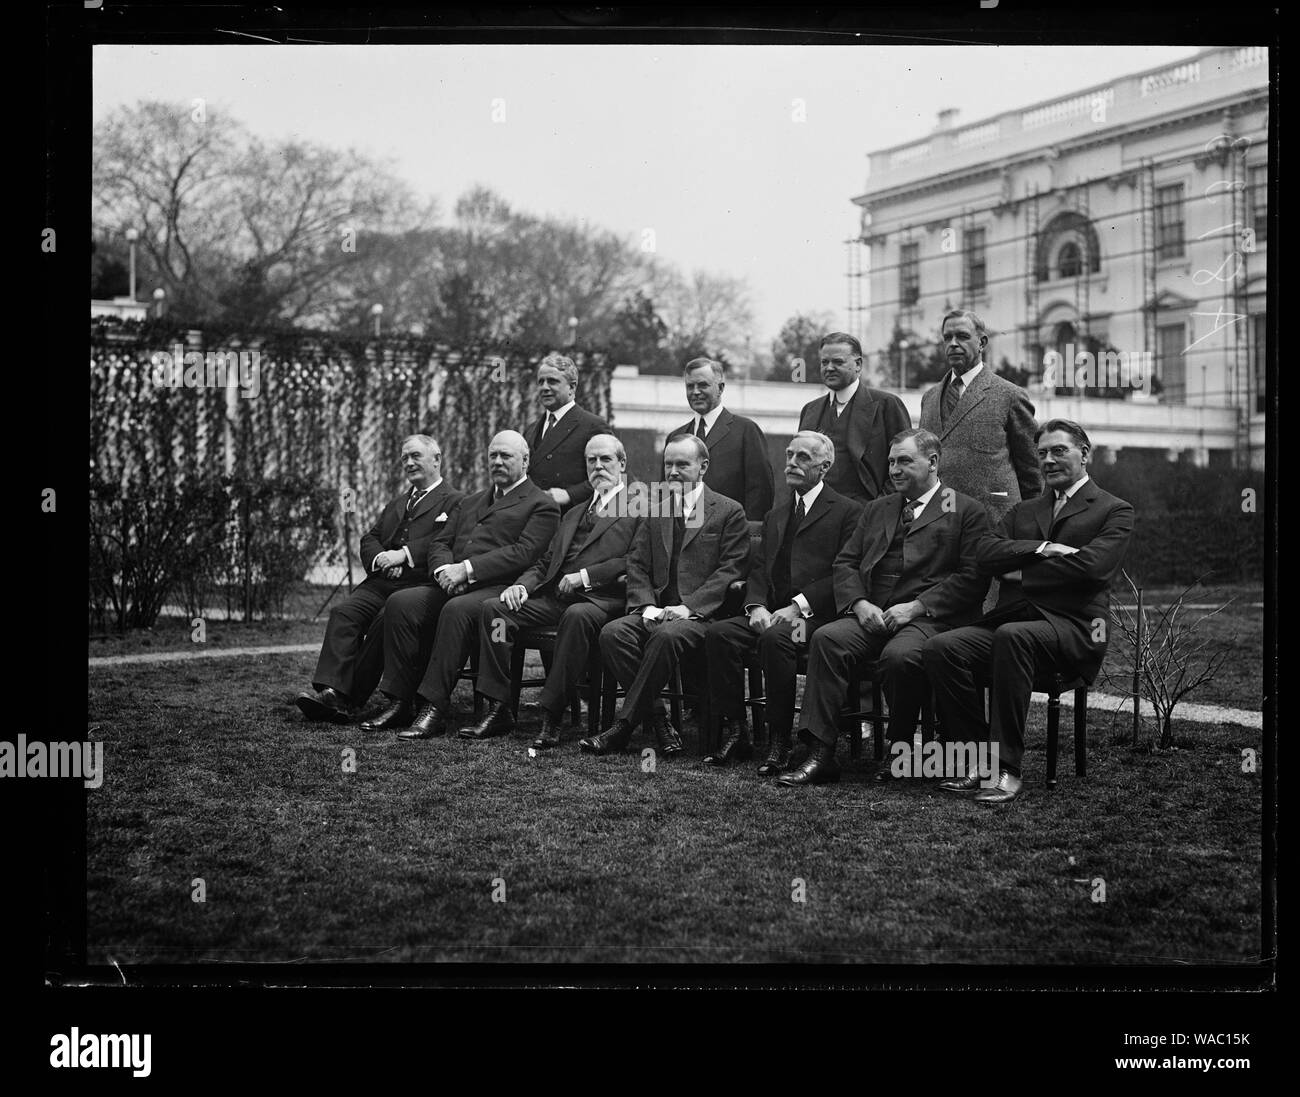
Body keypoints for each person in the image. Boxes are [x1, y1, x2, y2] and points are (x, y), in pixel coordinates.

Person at [924, 420, 1133, 804]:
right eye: (1041, 453)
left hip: (1073, 629)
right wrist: (1042, 549)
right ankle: (977, 759)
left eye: (1059, 451)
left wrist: (1018, 569)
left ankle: (1007, 770)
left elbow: (1093, 568)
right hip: (1015, 621)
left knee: (1012, 636)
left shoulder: (1113, 510)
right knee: (942, 647)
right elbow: (983, 553)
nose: (1048, 460)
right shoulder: (1024, 511)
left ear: (1084, 454)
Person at [778, 429, 991, 788]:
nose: (893, 469)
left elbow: (972, 578)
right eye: (891, 461)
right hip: (873, 613)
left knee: (900, 657)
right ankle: (820, 753)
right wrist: (859, 604)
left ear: (933, 462)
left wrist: (917, 607)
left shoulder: (966, 510)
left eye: (904, 460)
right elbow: (845, 562)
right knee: (828, 639)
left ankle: (902, 749)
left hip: (931, 619)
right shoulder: (878, 508)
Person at [355, 431, 560, 735]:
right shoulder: (471, 500)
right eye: (493, 456)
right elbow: (441, 541)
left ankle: (434, 706)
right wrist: (444, 572)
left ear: (526, 460)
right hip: (452, 581)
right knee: (400, 602)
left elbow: (524, 553)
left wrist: (466, 570)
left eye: (506, 456)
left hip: (498, 587)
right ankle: (399, 701)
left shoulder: (541, 504)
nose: (498, 461)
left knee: (457, 610)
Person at [466, 434, 644, 748]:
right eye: (591, 461)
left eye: (605, 460)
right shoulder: (574, 512)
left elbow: (636, 560)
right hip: (555, 597)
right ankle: (499, 706)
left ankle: (552, 714)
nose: (598, 466)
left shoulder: (640, 506)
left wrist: (585, 577)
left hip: (602, 600)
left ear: (623, 464)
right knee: (496, 610)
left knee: (575, 617)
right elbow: (547, 560)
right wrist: (522, 585)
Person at [701, 430, 862, 772]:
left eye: (803, 457)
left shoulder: (848, 512)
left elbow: (844, 573)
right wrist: (755, 605)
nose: (791, 463)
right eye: (789, 455)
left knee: (777, 638)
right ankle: (737, 732)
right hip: (772, 612)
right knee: (719, 634)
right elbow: (759, 568)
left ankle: (779, 740)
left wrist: (798, 606)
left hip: (818, 620)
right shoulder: (778, 513)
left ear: (825, 466)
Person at [582, 435, 750, 757]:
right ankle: (659, 720)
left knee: (665, 637)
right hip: (657, 611)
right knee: (612, 633)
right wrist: (645, 605)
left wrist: (689, 608)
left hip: (702, 616)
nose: (672, 472)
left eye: (681, 464)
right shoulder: (656, 510)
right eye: (668, 464)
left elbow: (730, 571)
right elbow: (637, 563)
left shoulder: (728, 511)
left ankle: (623, 726)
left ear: (703, 467)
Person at [295, 435, 463, 723]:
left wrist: (404, 555)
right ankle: (331, 691)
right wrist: (381, 560)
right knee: (344, 612)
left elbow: (446, 542)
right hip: (383, 581)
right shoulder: (399, 502)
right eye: (404, 458)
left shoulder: (456, 501)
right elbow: (371, 537)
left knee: (382, 622)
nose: (408, 463)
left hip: (419, 586)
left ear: (436, 459)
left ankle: (348, 698)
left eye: (415, 456)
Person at [918, 309, 1041, 526]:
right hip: (940, 521)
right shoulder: (929, 398)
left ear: (982, 342)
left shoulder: (1009, 395)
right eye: (947, 338)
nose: (953, 343)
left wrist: (1029, 524)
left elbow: (1031, 469)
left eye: (963, 336)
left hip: (993, 521)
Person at [796, 332, 911, 505]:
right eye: (824, 362)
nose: (829, 368)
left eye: (838, 362)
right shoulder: (810, 410)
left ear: (858, 365)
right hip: (817, 518)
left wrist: (878, 510)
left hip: (867, 516)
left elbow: (906, 466)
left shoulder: (887, 405)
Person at [667, 357, 774, 521]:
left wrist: (748, 536)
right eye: (690, 386)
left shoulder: (746, 431)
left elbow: (760, 493)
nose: (695, 392)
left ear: (720, 388)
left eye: (703, 385)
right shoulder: (675, 438)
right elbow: (667, 494)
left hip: (730, 537)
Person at [523, 352, 611, 511]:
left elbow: (610, 478)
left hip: (572, 524)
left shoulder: (593, 426)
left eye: (552, 381)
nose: (544, 387)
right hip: (534, 522)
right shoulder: (530, 430)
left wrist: (570, 495)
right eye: (540, 382)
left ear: (572, 387)